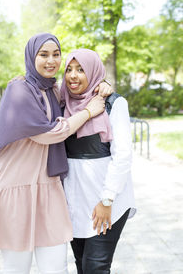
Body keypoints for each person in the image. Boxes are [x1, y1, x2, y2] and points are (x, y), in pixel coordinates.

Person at [0, 34, 110, 274]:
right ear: (32, 56)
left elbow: (79, 90)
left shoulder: (52, 89)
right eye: (43, 54)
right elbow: (48, 133)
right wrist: (88, 113)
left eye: (55, 54)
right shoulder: (19, 89)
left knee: (56, 268)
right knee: (16, 269)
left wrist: (103, 85)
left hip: (48, 187)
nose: (51, 61)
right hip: (15, 189)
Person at [61, 49, 136, 274]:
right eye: (69, 69)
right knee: (82, 265)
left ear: (93, 72)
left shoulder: (113, 103)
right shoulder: (62, 101)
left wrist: (106, 200)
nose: (73, 75)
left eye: (81, 69)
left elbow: (123, 156)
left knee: (96, 267)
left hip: (105, 202)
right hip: (74, 203)